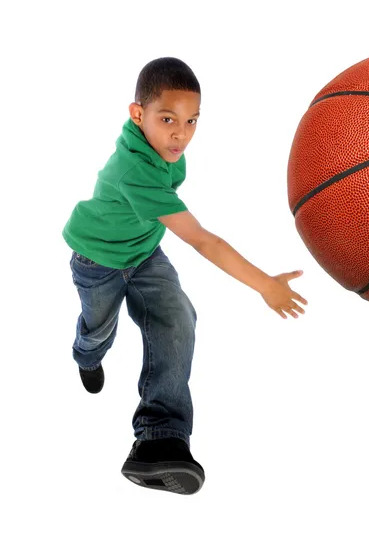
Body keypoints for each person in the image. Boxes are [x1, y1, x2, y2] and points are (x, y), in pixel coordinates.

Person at [62, 57, 308, 495]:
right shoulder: (135, 170)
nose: (181, 133)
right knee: (98, 330)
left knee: (177, 318)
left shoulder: (165, 151)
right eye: (168, 119)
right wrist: (264, 284)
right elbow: (203, 241)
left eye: (192, 120)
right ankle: (85, 355)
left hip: (143, 254)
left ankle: (160, 440)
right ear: (138, 114)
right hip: (97, 261)